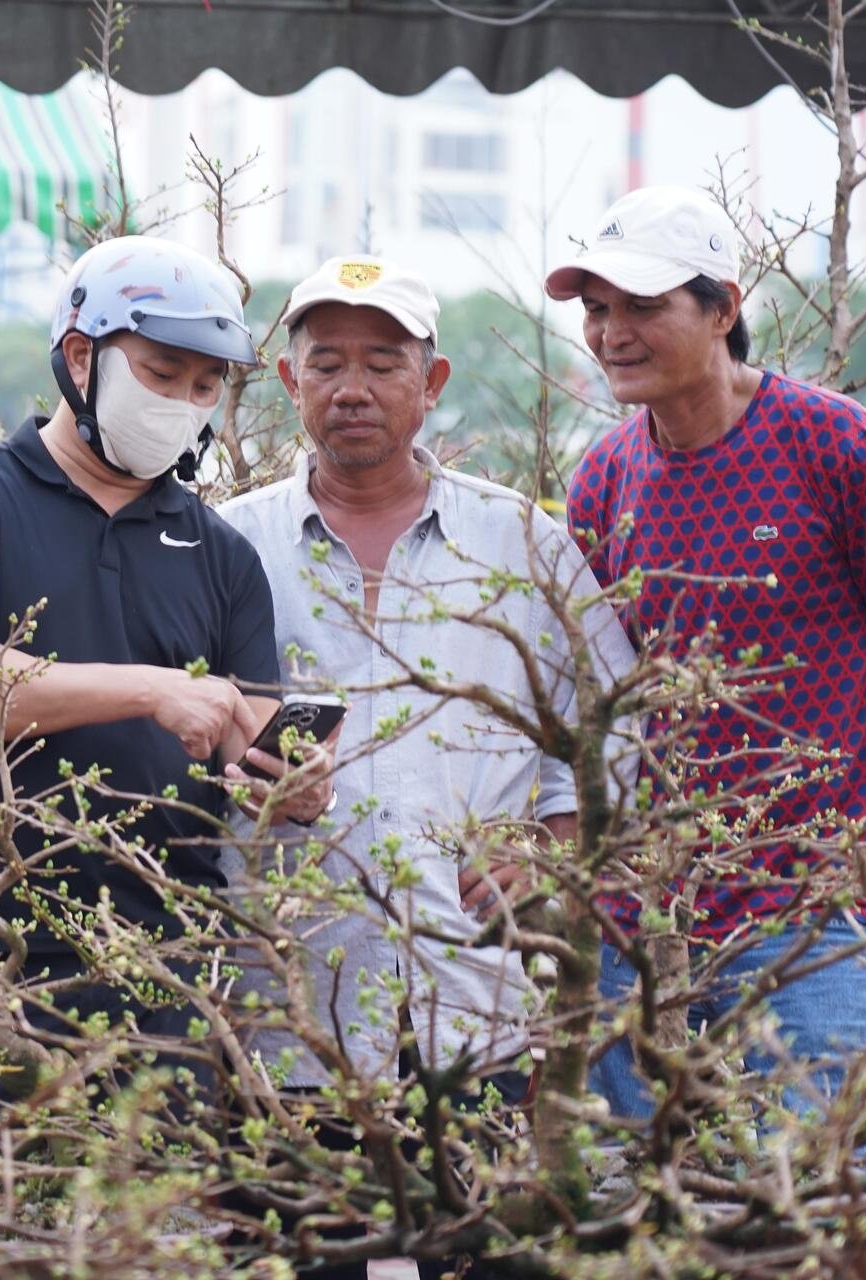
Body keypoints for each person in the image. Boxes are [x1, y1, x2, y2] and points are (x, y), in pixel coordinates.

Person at [554, 185, 866, 1280]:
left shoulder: (835, 444)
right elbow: (602, 684)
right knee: (660, 1204)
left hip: (817, 895)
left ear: (724, 305)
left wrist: (814, 767)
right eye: (594, 304)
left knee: (843, 1196)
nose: (610, 331)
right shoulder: (606, 477)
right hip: (652, 908)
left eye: (640, 302)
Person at [0, 234, 332, 1179]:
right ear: (81, 356)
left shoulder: (221, 555)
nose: (186, 404)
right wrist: (153, 688)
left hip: (156, 979)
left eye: (209, 386)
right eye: (163, 372)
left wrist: (289, 782)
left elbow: (245, 745)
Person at [216, 256, 635, 1280]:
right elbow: (179, 736)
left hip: (472, 994)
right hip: (293, 996)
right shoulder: (227, 544)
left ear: (431, 382)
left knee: (487, 1259)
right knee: (309, 1259)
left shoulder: (521, 541)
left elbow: (610, 733)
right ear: (288, 382)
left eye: (382, 363)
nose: (352, 388)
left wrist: (549, 848)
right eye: (327, 364)